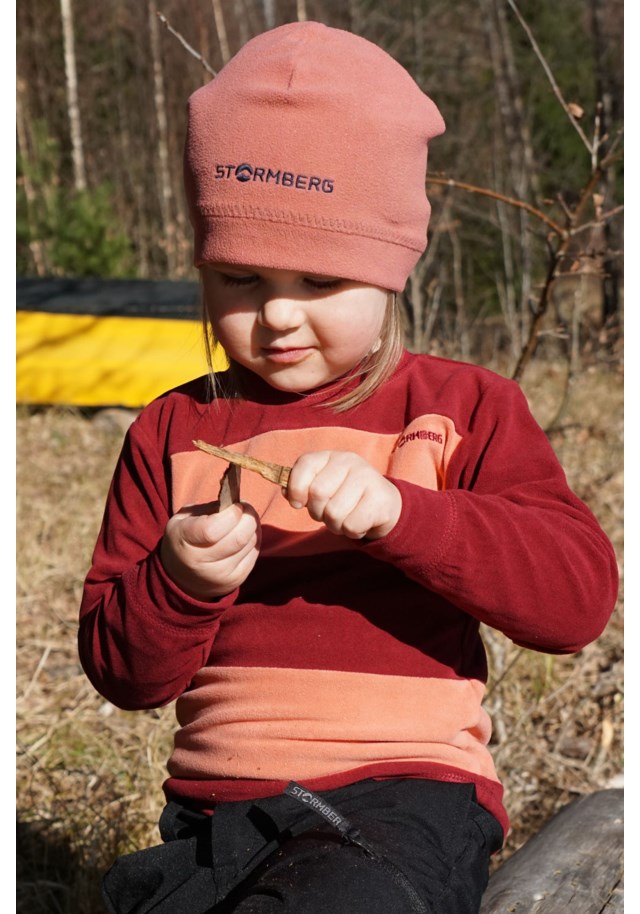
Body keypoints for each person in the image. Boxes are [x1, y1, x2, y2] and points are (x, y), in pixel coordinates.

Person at [78, 20, 618, 914]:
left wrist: (410, 516)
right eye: (240, 280)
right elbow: (123, 672)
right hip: (211, 816)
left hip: (401, 802)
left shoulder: (461, 411)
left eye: (320, 283)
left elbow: (575, 601)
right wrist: (178, 577)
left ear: (393, 268)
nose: (278, 318)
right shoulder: (173, 431)